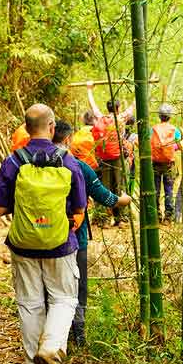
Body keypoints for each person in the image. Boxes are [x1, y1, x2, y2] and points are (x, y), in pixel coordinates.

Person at [0, 104, 86, 364]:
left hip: (22, 245)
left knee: (30, 303)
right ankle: (50, 350)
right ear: (52, 127)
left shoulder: (13, 161)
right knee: (65, 298)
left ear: (26, 127)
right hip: (60, 245)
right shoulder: (67, 161)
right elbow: (80, 210)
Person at [53, 120, 130, 346]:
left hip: (44, 238)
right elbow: (105, 197)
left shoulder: (34, 166)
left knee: (54, 286)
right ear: (68, 140)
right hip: (76, 237)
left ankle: (55, 336)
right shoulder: (79, 166)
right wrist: (123, 200)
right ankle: (79, 332)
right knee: (79, 285)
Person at [87, 82, 134, 226]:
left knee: (104, 187)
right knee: (120, 186)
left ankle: (104, 219)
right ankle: (122, 219)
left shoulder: (101, 118)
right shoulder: (121, 118)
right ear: (118, 108)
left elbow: (92, 106)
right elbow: (134, 106)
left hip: (104, 158)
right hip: (118, 157)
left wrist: (89, 89)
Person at [151, 104, 182, 224]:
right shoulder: (175, 130)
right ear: (170, 117)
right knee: (169, 190)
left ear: (159, 116)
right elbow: (180, 146)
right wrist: (175, 148)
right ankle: (168, 217)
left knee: (156, 190)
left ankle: (156, 215)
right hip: (169, 163)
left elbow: (144, 143)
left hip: (155, 163)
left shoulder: (153, 129)